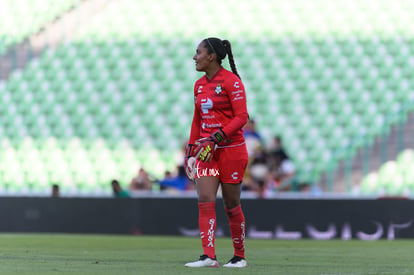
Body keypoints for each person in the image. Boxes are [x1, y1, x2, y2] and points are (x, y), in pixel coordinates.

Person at [184, 37, 248, 268]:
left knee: (231, 205)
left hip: (231, 151)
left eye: (198, 52)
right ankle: (208, 256)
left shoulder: (232, 82)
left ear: (211, 56)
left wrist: (216, 137)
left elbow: (242, 117)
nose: (194, 57)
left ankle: (239, 256)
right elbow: (197, 119)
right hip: (206, 152)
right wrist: (191, 150)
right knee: (205, 200)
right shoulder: (199, 85)